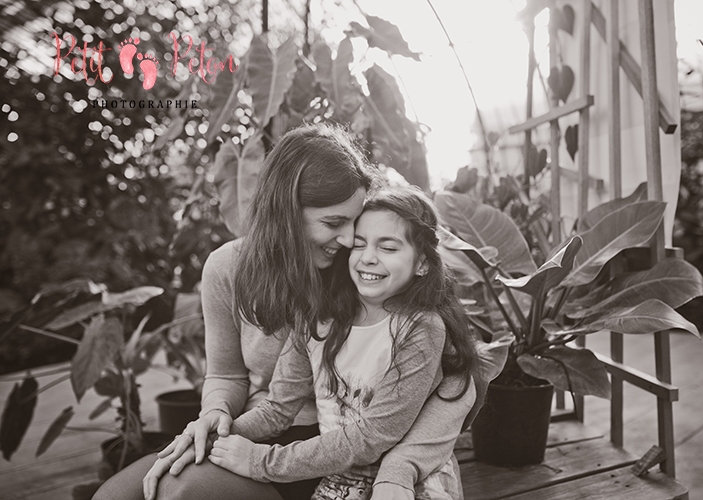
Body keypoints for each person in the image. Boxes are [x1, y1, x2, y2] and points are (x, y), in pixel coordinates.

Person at [92, 124, 477, 500]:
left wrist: (402, 466)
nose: (349, 241)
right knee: (116, 494)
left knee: (184, 491)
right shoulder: (227, 268)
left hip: (326, 446)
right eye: (334, 223)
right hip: (259, 426)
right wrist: (212, 418)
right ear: (286, 213)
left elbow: (455, 378)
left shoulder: (365, 272)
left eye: (353, 224)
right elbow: (228, 375)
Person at [197, 186, 477, 500]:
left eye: (388, 247)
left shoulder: (421, 328)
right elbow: (276, 409)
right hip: (338, 483)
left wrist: (261, 461)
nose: (368, 258)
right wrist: (218, 434)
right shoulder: (318, 320)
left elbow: (374, 435)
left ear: (423, 263)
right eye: (359, 244)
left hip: (406, 484)